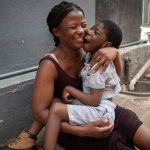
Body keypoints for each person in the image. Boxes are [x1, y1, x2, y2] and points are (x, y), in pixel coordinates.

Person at [8, 1, 150, 150]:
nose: (82, 31)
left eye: (83, 25)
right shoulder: (49, 65)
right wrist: (81, 131)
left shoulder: (91, 53)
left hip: (106, 111)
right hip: (74, 125)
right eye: (73, 27)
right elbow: (40, 112)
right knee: (114, 142)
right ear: (57, 32)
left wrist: (114, 53)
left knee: (132, 124)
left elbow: (112, 81)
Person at [44, 19, 123, 150]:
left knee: (57, 111)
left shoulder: (97, 67)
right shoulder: (91, 56)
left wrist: (69, 89)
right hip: (99, 107)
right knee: (56, 101)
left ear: (106, 45)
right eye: (91, 28)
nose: (88, 32)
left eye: (96, 32)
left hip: (99, 111)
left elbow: (94, 101)